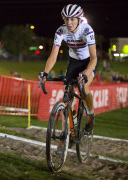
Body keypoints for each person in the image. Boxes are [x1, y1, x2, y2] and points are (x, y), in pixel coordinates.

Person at [38, 4, 97, 153]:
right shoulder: (61, 31)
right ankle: (65, 135)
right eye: (66, 19)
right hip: (73, 62)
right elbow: (53, 55)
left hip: (88, 62)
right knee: (67, 98)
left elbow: (94, 58)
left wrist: (85, 74)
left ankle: (90, 115)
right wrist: (45, 72)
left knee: (83, 88)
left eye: (72, 19)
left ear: (78, 19)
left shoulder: (87, 30)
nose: (68, 22)